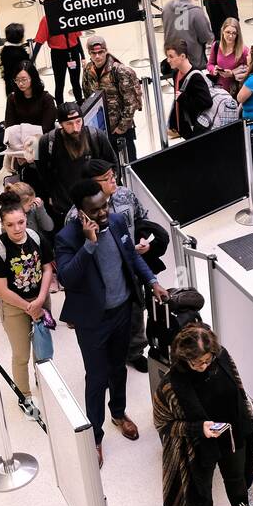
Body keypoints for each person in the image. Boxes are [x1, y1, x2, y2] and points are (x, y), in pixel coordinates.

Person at [54, 180, 168, 466]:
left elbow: (131, 258)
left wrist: (152, 281)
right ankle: (94, 438)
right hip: (93, 321)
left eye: (105, 204)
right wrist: (90, 245)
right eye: (96, 209)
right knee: (96, 377)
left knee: (119, 368)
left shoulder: (116, 221)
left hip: (122, 312)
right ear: (80, 212)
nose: (104, 212)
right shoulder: (67, 237)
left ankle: (118, 412)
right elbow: (67, 277)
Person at [151, 324, 253, 506]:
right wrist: (197, 428)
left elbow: (238, 390)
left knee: (237, 482)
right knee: (199, 493)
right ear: (184, 359)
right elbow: (163, 424)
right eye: (197, 363)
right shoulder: (170, 385)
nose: (203, 366)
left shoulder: (221, 357)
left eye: (207, 360)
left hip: (232, 435)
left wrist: (247, 419)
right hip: (198, 446)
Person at [0, 192, 55, 412]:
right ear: (2, 225)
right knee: (21, 354)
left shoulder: (35, 237)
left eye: (21, 222)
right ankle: (23, 395)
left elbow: (46, 267)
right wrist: (28, 307)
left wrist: (41, 300)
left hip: (39, 300)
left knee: (42, 349)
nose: (17, 228)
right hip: (15, 307)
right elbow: (1, 290)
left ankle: (42, 380)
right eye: (10, 224)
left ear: (26, 217)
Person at [82, 35, 141, 162]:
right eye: (93, 53)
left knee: (129, 163)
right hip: (101, 129)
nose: (97, 56)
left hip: (120, 129)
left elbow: (131, 102)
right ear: (89, 54)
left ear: (106, 51)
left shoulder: (119, 71)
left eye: (100, 52)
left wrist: (121, 127)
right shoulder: (88, 70)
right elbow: (88, 96)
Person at [32, 0, 84, 103]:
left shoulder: (71, 16)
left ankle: (81, 107)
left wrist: (82, 56)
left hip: (73, 53)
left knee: (76, 83)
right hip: (58, 55)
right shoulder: (47, 20)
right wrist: (32, 60)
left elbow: (77, 38)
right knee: (59, 84)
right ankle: (60, 109)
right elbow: (39, 42)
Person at [166, 38, 214, 139]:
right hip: (184, 129)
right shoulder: (176, 73)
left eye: (171, 56)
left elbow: (206, 102)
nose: (168, 60)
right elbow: (177, 101)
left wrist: (184, 98)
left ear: (182, 56)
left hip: (195, 130)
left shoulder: (196, 77)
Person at [162, 0, 214, 69]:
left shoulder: (167, 7)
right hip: (192, 58)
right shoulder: (197, 12)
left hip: (171, 55)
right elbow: (205, 37)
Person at [5, 62, 57, 134]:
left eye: (24, 79)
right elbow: (9, 125)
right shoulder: (12, 98)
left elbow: (47, 127)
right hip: (20, 138)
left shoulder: (46, 98)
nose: (20, 83)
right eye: (17, 80)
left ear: (33, 78)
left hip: (42, 138)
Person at [0, 22, 31, 101]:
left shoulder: (3, 51)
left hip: (9, 86)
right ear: (21, 37)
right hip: (22, 88)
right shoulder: (20, 53)